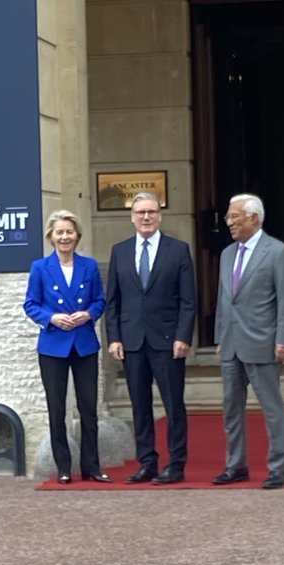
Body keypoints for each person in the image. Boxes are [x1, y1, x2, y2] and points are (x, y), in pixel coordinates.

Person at [105, 191, 195, 484]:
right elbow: (113, 301)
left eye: (151, 212)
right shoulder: (120, 251)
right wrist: (114, 337)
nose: (146, 217)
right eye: (140, 212)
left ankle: (176, 464)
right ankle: (147, 463)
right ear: (132, 217)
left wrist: (183, 336)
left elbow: (188, 300)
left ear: (160, 215)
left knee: (173, 404)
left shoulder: (178, 250)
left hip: (168, 341)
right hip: (132, 341)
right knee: (139, 405)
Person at [213, 193, 284, 490]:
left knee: (271, 408)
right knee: (231, 409)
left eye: (234, 216)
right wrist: (219, 337)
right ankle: (235, 465)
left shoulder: (277, 252)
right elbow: (224, 300)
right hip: (231, 344)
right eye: (228, 217)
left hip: (263, 342)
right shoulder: (227, 254)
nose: (229, 222)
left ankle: (278, 467)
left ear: (254, 218)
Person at [23, 210, 111, 484]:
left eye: (69, 232)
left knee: (88, 409)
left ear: (77, 236)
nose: (64, 237)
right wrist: (51, 318)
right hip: (53, 345)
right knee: (56, 409)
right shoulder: (40, 267)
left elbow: (99, 301)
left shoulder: (89, 265)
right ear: (50, 236)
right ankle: (63, 467)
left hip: (84, 343)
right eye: (59, 232)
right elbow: (30, 304)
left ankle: (91, 466)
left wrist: (88, 314)